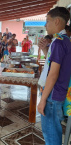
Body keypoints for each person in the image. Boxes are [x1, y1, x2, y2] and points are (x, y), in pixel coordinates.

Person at [37, 7, 71, 145]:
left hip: (52, 94)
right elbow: (54, 65)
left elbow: (53, 74)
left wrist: (43, 99)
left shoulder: (58, 42)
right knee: (54, 131)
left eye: (47, 21)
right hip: (58, 93)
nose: (46, 25)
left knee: (51, 134)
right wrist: (45, 49)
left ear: (57, 21)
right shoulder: (65, 40)